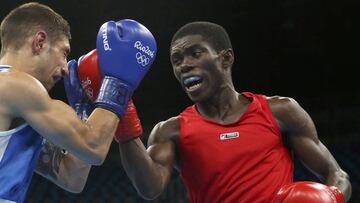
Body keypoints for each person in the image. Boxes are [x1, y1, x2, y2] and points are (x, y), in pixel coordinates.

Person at [115, 22, 352, 202]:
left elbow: (337, 174)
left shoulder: (280, 111)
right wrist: (123, 121)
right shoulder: (171, 131)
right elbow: (150, 188)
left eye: (195, 54)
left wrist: (330, 196)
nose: (184, 64)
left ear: (226, 58)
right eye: (177, 59)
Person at [0, 2, 156, 203]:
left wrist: (83, 113)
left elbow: (71, 178)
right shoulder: (17, 85)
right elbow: (94, 147)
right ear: (39, 42)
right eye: (64, 53)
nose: (65, 68)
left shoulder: (14, 102)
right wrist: (117, 84)